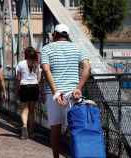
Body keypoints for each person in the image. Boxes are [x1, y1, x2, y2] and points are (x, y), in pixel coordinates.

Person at [41, 24, 91, 158]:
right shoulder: (78, 48)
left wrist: (56, 92)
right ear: (67, 35)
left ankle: (56, 156)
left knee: (55, 129)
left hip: (54, 94)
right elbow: (87, 68)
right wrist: (78, 88)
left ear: (54, 35)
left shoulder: (46, 49)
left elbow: (46, 70)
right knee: (75, 128)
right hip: (72, 94)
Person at [16, 47, 41, 139]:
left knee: (24, 110)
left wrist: (17, 88)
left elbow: (18, 78)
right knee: (31, 111)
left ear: (26, 54)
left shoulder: (21, 64)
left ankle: (24, 127)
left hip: (24, 87)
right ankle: (31, 132)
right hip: (34, 87)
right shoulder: (36, 64)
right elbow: (39, 78)